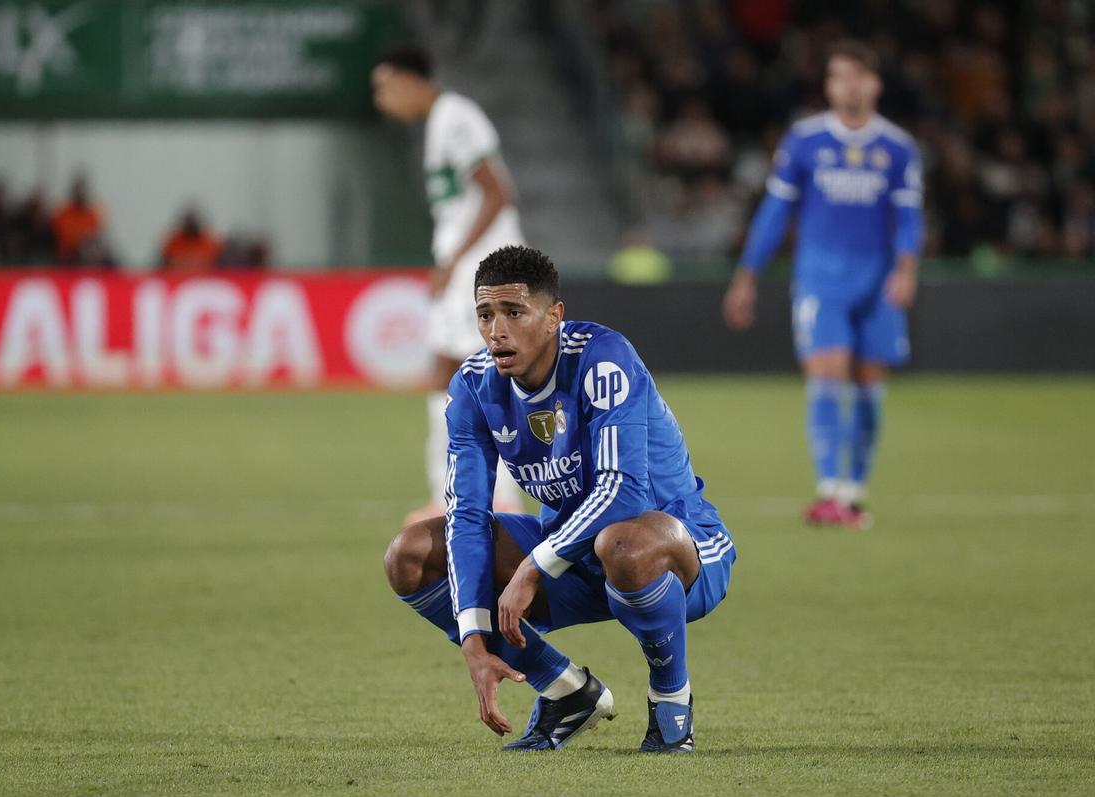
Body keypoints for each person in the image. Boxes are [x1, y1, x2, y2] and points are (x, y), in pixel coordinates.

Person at [384, 245, 736, 753]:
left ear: (553, 318)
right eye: (485, 314)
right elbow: (466, 515)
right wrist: (473, 637)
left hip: (678, 551)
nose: (496, 330)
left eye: (513, 312)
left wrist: (532, 568)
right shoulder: (474, 386)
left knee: (623, 544)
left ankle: (670, 699)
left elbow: (622, 492)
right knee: (411, 554)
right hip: (571, 556)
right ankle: (566, 691)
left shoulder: (602, 359)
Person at [722, 40, 924, 529]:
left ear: (874, 83)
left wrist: (906, 270)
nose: (848, 86)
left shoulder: (898, 147)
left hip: (877, 283)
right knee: (826, 377)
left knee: (870, 390)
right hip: (820, 280)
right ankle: (830, 489)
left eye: (857, 76)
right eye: (838, 77)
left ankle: (854, 491)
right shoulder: (805, 141)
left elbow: (908, 217)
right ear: (829, 86)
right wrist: (747, 275)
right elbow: (775, 212)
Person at [372, 45, 524, 524]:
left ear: (410, 80)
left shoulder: (456, 117)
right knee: (449, 377)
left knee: (482, 379)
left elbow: (498, 193)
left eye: (385, 88)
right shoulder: (441, 121)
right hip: (467, 271)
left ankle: (494, 497)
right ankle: (454, 494)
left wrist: (456, 262)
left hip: (482, 271)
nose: (382, 100)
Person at [52, 174, 104, 265]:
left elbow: (97, 238)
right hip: (68, 258)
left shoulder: (92, 215)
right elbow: (61, 239)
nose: (81, 193)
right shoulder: (63, 214)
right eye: (78, 190)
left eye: (83, 190)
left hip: (89, 257)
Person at [160, 207, 222, 273]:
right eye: (189, 222)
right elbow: (163, 266)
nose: (191, 225)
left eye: (193, 222)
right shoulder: (173, 243)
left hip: (204, 277)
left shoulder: (209, 243)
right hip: (179, 277)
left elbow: (219, 267)